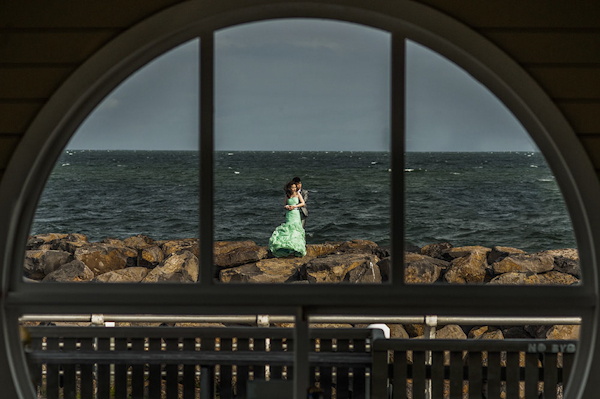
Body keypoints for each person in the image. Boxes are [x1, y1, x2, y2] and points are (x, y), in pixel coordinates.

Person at [268, 181, 307, 257]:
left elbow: (303, 203)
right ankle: (287, 247)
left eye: (295, 187)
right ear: (289, 188)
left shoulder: (298, 194)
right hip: (289, 214)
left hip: (295, 213)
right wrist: (287, 206)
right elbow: (285, 204)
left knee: (296, 229)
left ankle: (296, 247)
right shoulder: (287, 195)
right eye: (292, 187)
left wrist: (294, 206)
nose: (294, 189)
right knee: (288, 229)